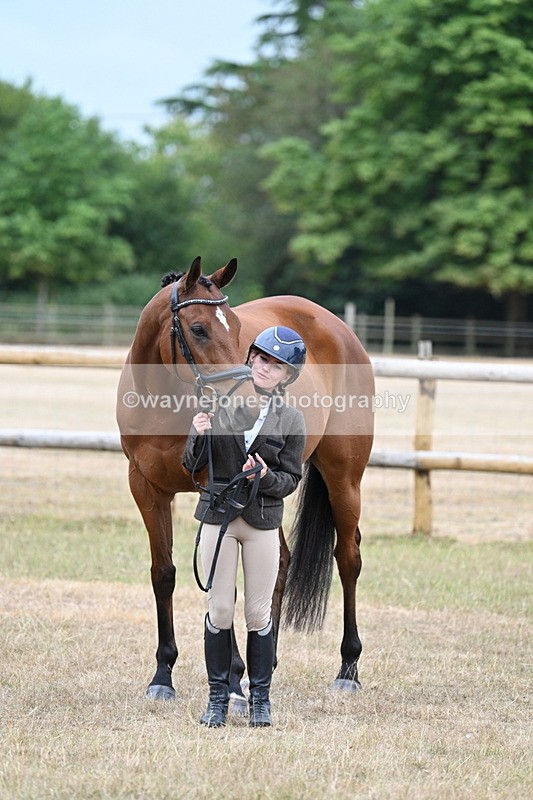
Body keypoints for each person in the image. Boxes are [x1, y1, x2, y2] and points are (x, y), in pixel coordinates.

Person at [183, 326, 306, 728]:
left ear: (287, 376)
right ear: (250, 359)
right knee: (219, 609)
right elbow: (190, 464)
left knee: (257, 613)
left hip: (262, 522)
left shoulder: (291, 419)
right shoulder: (217, 405)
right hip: (218, 516)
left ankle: (260, 700)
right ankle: (217, 698)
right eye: (261, 359)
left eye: (276, 365)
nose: (266, 368)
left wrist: (265, 478)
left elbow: (291, 479)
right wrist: (198, 434)